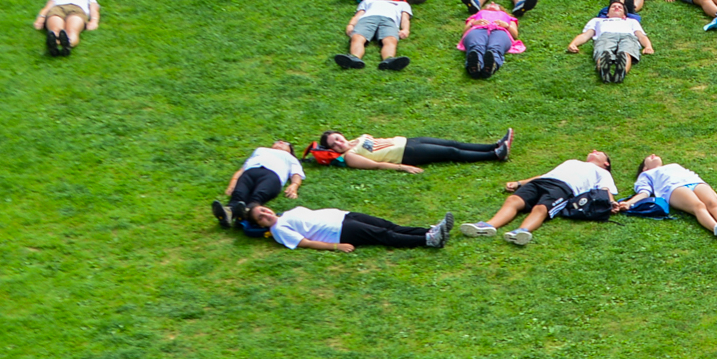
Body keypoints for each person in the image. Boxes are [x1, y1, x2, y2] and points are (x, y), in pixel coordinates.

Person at [459, 151, 616, 246]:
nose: (594, 150)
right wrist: (519, 183)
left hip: (564, 189)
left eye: (599, 152)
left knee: (541, 208)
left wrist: (612, 203)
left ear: (606, 163)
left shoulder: (602, 172)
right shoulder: (572, 162)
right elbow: (544, 175)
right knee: (513, 200)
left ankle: (521, 232)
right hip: (542, 182)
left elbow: (605, 189)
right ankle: (488, 226)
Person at [242, 205, 453, 252]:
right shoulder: (278, 230)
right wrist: (336, 246)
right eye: (261, 217)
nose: (265, 215)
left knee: (389, 226)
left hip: (344, 216)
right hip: (339, 231)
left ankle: (430, 231)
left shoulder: (287, 214)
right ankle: (429, 240)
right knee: (384, 235)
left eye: (263, 210)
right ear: (260, 225)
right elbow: (304, 243)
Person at [627, 155, 717, 240]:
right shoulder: (646, 174)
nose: (653, 155)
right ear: (644, 168)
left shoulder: (674, 165)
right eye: (648, 158)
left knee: (713, 203)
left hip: (694, 182)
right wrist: (629, 203)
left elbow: (691, 174)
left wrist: (712, 192)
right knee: (698, 206)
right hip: (673, 188)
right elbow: (644, 192)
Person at [306, 129, 511, 173]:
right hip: (407, 154)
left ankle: (494, 145)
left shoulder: (353, 142)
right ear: (332, 150)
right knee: (451, 152)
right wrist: (404, 168)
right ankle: (494, 155)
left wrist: (351, 142)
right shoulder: (350, 156)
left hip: (408, 141)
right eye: (334, 144)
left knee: (452, 143)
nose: (339, 143)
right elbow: (376, 165)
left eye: (338, 138)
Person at [209, 142, 304, 229]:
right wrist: (233, 183)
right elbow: (242, 169)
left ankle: (247, 212)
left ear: (290, 150)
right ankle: (228, 212)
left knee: (259, 195)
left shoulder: (290, 158)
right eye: (277, 141)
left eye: (285, 143)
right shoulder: (260, 150)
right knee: (239, 193)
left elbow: (296, 173)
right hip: (250, 172)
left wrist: (294, 185)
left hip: (272, 175)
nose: (281, 142)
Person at [567, 1, 654, 83]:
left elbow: (641, 36)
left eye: (620, 7)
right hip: (606, 36)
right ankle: (603, 70)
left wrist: (648, 46)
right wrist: (573, 44)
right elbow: (586, 35)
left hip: (627, 36)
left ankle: (621, 72)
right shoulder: (597, 20)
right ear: (607, 14)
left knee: (626, 52)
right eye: (613, 6)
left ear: (624, 15)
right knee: (603, 52)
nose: (616, 7)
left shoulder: (631, 21)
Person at [336, 0, 413, 71]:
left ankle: (389, 60)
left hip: (389, 21)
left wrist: (405, 29)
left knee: (391, 39)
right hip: (367, 19)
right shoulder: (367, 2)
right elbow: (358, 15)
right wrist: (351, 25)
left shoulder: (402, 4)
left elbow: (405, 18)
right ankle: (354, 58)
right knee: (357, 37)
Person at [459, 3, 524, 79]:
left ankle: (491, 65)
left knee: (495, 47)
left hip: (500, 31)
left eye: (496, 4)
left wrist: (507, 26)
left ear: (501, 9)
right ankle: (474, 65)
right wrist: (473, 24)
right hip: (478, 29)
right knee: (476, 45)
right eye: (489, 4)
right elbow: (465, 32)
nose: (492, 3)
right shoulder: (476, 15)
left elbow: (515, 34)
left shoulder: (509, 18)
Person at [33, 0, 99, 57]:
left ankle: (68, 44)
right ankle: (54, 44)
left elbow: (94, 10)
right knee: (55, 29)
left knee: (72, 30)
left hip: (78, 10)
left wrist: (94, 21)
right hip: (58, 9)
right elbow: (47, 7)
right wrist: (41, 18)